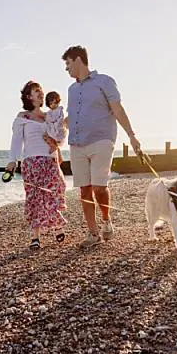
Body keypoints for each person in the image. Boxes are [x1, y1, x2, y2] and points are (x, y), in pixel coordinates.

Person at [59, 45, 145, 248]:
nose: (67, 69)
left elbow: (117, 109)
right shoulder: (71, 90)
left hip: (102, 140)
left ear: (78, 59)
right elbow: (72, 118)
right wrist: (53, 129)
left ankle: (106, 220)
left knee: (99, 187)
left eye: (68, 64)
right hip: (77, 144)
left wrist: (132, 136)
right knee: (84, 191)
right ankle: (93, 233)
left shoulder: (104, 81)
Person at [7, 81, 68, 250]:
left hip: (50, 160)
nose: (41, 93)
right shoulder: (22, 117)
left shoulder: (49, 116)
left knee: (54, 193)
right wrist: (13, 160)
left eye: (41, 91)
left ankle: (57, 226)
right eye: (36, 91)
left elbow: (59, 136)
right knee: (34, 198)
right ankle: (35, 237)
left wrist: (56, 145)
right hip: (32, 162)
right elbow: (17, 140)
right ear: (28, 96)